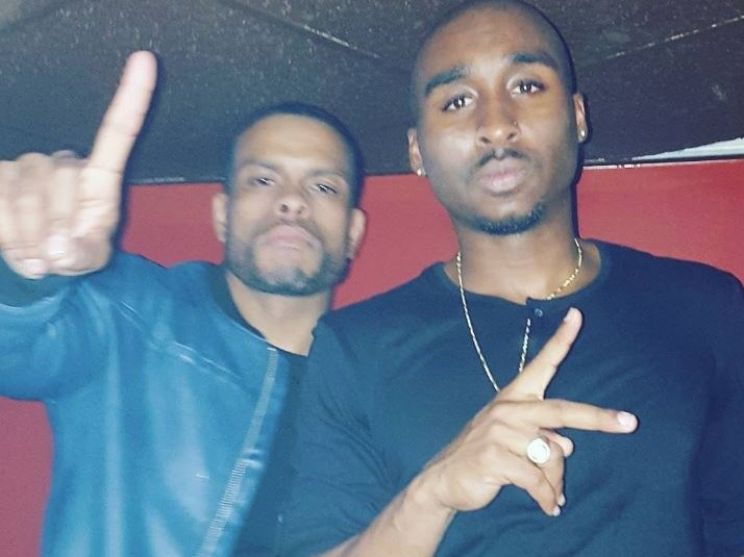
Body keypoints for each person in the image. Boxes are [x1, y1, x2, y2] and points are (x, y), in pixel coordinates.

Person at [281, 1, 744, 555]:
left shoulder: (705, 308)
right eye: (457, 101)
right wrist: (434, 492)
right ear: (417, 151)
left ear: (577, 115)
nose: (496, 124)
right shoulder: (354, 350)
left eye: (526, 86)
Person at [0, 51, 365, 556]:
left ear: (353, 233)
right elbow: (14, 350)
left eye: (323, 186)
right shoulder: (129, 313)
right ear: (222, 215)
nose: (292, 201)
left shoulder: (376, 388)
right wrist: (24, 274)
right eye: (262, 179)